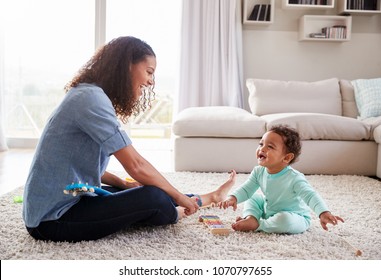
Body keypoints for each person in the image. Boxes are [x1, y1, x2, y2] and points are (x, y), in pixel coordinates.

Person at [22, 36, 234, 242]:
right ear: (126, 66)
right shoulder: (91, 99)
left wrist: (123, 184)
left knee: (141, 189)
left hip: (67, 200)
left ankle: (209, 198)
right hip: (54, 219)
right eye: (149, 72)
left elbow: (81, 165)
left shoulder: (89, 94)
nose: (151, 81)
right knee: (153, 196)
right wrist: (177, 196)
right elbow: (136, 164)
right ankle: (176, 212)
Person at [219, 124, 344, 234]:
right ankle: (251, 217)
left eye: (270, 147)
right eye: (261, 144)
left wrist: (323, 212)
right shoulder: (259, 171)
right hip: (268, 209)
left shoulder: (294, 178)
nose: (262, 149)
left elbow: (311, 196)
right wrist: (233, 198)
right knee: (253, 198)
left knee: (284, 220)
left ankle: (259, 225)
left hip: (295, 216)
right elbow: (247, 189)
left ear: (286, 158)